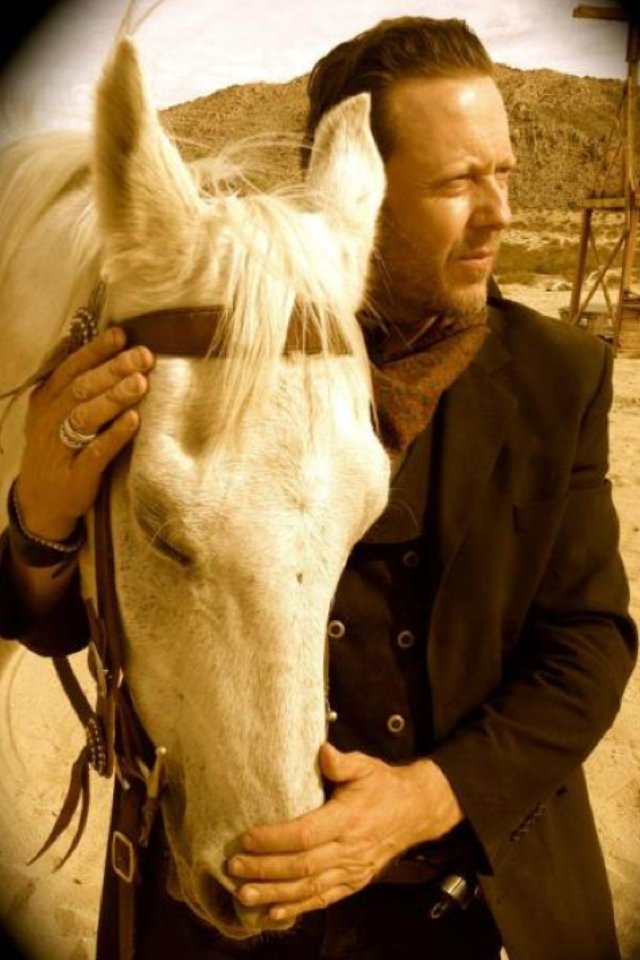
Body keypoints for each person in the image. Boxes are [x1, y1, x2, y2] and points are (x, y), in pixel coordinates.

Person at [0, 15, 637, 960]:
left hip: (472, 908)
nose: (499, 211)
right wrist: (42, 518)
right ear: (361, 189)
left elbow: (587, 645)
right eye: (457, 182)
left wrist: (425, 797)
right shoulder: (207, 349)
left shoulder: (556, 375)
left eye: (502, 172)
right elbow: (66, 621)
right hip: (200, 898)